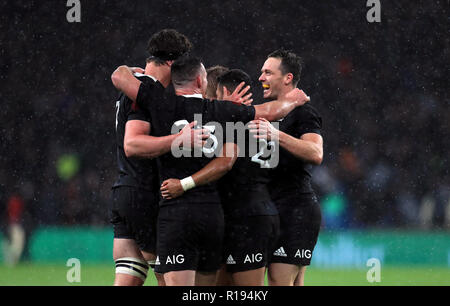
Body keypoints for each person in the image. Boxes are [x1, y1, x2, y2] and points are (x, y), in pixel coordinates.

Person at [111, 55, 310, 286]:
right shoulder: (221, 112)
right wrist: (293, 100)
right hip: (227, 215)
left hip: (175, 212)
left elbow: (132, 139)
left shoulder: (160, 108)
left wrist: (130, 71)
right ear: (199, 81)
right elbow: (270, 112)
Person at [161, 69, 281, 286]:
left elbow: (223, 163)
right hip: (263, 211)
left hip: (243, 218)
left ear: (222, 93)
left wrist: (185, 183)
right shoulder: (266, 123)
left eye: (212, 97)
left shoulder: (231, 123)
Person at [110, 29, 205, 286]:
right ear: (173, 63)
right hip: (144, 193)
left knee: (129, 275)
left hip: (125, 190)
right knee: (171, 278)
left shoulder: (133, 85)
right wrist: (178, 140)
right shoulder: (146, 90)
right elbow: (133, 144)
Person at [249, 49, 323, 286]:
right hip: (265, 211)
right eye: (261, 72)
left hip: (294, 209)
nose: (261, 78)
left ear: (288, 78)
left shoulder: (304, 112)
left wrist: (276, 135)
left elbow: (315, 153)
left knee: (280, 282)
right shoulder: (265, 111)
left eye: (268, 72)